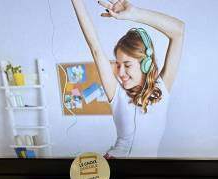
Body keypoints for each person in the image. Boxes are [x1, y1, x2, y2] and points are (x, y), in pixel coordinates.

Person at [71, 0, 184, 158]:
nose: (120, 73)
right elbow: (95, 48)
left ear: (145, 64)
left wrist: (135, 14)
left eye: (127, 65)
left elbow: (178, 30)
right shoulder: (117, 95)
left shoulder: (162, 89)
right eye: (117, 65)